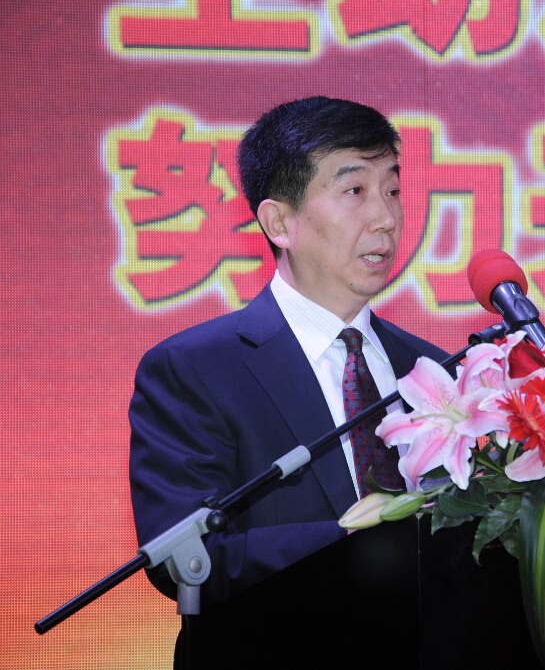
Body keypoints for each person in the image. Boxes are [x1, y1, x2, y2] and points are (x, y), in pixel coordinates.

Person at [128, 97, 448, 667]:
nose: (387, 218)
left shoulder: (437, 372)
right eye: (355, 191)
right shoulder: (195, 369)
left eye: (393, 190)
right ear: (279, 223)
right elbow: (188, 558)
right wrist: (367, 541)